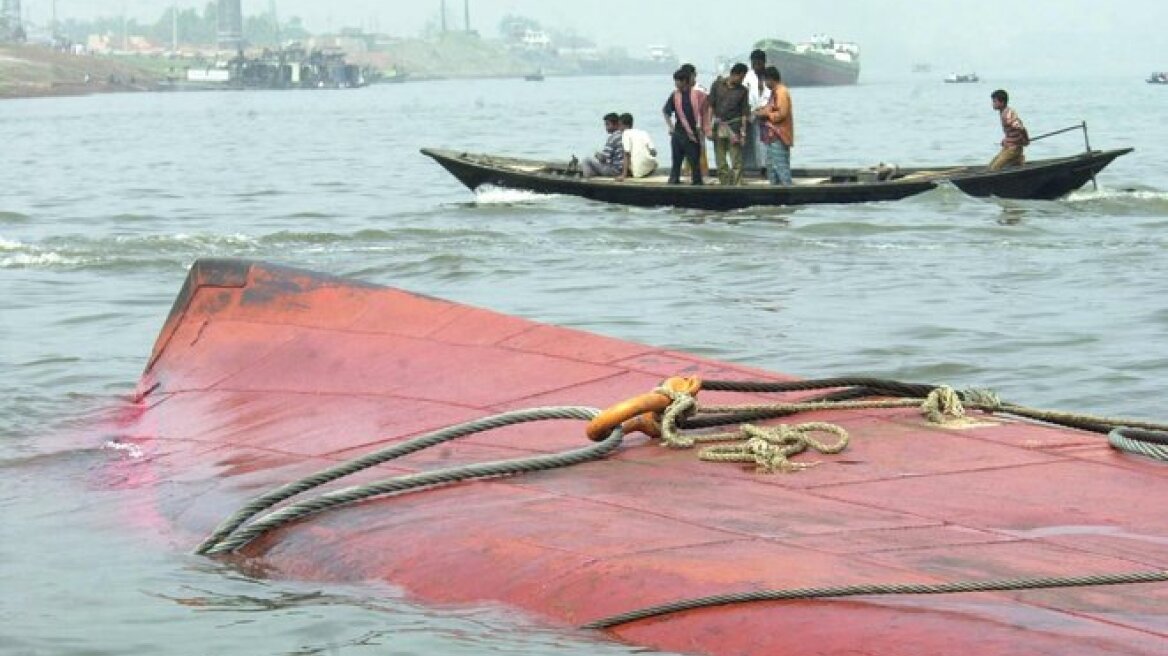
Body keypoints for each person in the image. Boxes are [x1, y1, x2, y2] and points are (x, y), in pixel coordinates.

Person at [663, 68, 708, 185]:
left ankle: (697, 183)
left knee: (694, 161)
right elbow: (666, 111)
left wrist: (704, 128)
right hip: (678, 132)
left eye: (678, 81)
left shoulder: (698, 94)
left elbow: (706, 111)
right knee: (676, 160)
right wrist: (671, 127)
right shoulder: (674, 95)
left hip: (693, 132)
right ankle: (674, 181)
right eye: (675, 81)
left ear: (685, 81)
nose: (676, 84)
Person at [707, 63, 751, 185]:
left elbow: (744, 114)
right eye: (741, 77)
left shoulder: (743, 91)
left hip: (734, 127)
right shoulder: (717, 85)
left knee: (736, 160)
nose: (742, 80)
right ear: (734, 74)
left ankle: (737, 184)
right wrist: (708, 127)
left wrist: (743, 133)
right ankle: (725, 184)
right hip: (718, 125)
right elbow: (710, 106)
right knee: (720, 161)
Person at [755, 66, 794, 185]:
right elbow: (771, 108)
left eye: (765, 81)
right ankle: (775, 194)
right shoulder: (774, 92)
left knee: (781, 167)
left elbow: (782, 113)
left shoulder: (781, 92)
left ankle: (787, 193)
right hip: (771, 136)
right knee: (772, 167)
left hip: (779, 135)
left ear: (770, 79)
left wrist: (766, 114)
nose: (764, 84)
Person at [742, 49, 770, 174]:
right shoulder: (748, 77)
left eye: (758, 64)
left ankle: (766, 168)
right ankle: (751, 169)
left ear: (764, 63)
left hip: (767, 115)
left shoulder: (770, 76)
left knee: (765, 143)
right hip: (751, 115)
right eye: (753, 64)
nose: (756, 67)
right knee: (751, 144)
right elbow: (743, 95)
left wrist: (764, 109)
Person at [988, 89, 1028, 170]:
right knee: (990, 166)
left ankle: (1017, 157)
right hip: (1009, 146)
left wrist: (1026, 140)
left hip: (1013, 148)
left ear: (1002, 102)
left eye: (995, 102)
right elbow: (1011, 131)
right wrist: (1006, 139)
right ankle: (1017, 160)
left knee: (994, 169)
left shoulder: (1008, 115)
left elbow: (1021, 127)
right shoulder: (1003, 112)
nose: (993, 104)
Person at [581, 112, 626, 178]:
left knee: (586, 160)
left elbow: (604, 159)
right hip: (623, 169)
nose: (606, 127)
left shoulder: (613, 138)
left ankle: (588, 181)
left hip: (615, 170)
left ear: (616, 124)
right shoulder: (624, 135)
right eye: (605, 125)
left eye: (608, 124)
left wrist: (597, 155)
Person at [617, 113, 658, 179]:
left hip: (637, 172)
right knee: (654, 163)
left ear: (625, 125)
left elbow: (626, 154)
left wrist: (623, 175)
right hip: (650, 165)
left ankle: (637, 172)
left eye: (619, 125)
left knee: (626, 158)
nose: (619, 128)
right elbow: (654, 152)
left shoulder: (626, 133)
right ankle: (645, 172)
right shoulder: (643, 132)